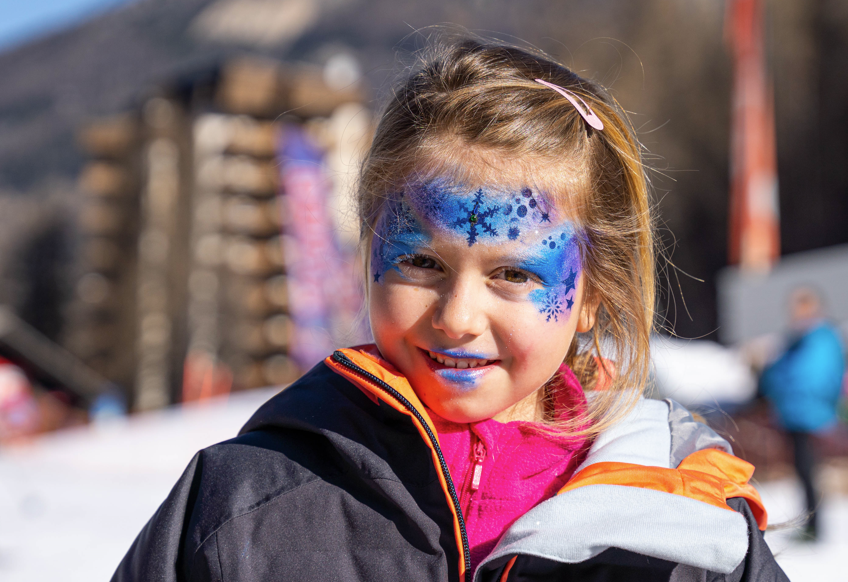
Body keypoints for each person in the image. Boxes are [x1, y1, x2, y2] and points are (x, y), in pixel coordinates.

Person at [113, 39, 787, 581]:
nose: (458, 317)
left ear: (592, 298)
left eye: (515, 273)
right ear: (371, 244)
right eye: (421, 262)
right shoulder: (244, 506)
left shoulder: (685, 527)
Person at [760, 287, 845, 541]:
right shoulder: (795, 340)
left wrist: (780, 386)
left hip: (812, 416)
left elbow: (811, 378)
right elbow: (773, 374)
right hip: (793, 414)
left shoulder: (820, 339)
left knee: (809, 473)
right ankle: (810, 523)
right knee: (802, 474)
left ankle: (815, 527)